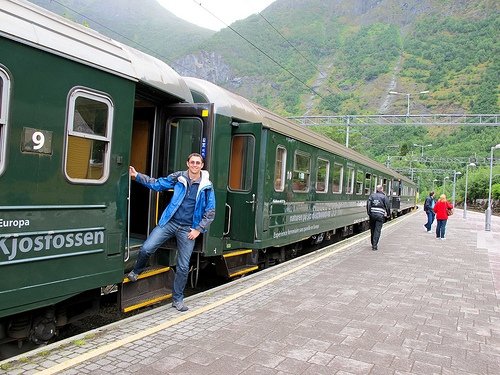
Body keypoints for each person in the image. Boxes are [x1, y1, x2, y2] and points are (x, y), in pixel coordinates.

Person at [127, 153, 216, 312]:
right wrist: (137, 176)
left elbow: (210, 212)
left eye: (198, 163)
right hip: (170, 222)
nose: (195, 165)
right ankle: (136, 270)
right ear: (187, 163)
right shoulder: (178, 178)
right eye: (192, 162)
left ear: (202, 166)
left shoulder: (207, 186)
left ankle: (177, 299)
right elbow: (158, 184)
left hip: (188, 229)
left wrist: (198, 229)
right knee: (147, 248)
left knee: (183, 266)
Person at [366, 184, 391, 251]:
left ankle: (372, 243)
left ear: (377, 189)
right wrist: (388, 214)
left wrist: (369, 213)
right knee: (377, 230)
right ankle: (374, 245)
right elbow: (388, 206)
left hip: (372, 215)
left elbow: (368, 205)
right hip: (380, 216)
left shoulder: (372, 196)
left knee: (372, 229)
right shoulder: (384, 197)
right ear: (382, 189)